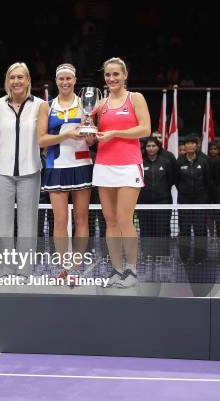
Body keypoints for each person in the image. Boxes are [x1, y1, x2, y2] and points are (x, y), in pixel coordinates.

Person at [93, 57, 151, 288]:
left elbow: (145, 129)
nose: (112, 78)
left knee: (125, 218)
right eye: (108, 75)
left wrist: (114, 133)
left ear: (125, 75)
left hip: (128, 165)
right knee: (110, 220)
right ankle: (117, 269)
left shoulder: (135, 98)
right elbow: (94, 130)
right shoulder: (101, 103)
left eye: (116, 74)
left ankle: (132, 271)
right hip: (104, 164)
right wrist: (88, 133)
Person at [37, 63, 94, 282]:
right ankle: (63, 268)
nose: (65, 82)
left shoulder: (86, 104)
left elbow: (91, 140)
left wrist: (89, 135)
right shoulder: (47, 106)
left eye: (68, 78)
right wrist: (68, 134)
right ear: (56, 80)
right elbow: (41, 139)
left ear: (75, 80)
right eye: (61, 79)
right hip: (56, 166)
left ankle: (76, 270)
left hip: (81, 166)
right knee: (59, 221)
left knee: (81, 220)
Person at [0, 62, 45, 277]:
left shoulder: (41, 105)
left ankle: (24, 270)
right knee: (2, 223)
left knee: (28, 225)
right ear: (7, 81)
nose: (16, 81)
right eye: (12, 77)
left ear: (28, 80)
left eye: (20, 77)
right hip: (1, 171)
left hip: (31, 171)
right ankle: (3, 268)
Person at [137, 136, 176, 259]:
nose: (151, 148)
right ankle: (147, 254)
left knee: (162, 228)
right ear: (145, 148)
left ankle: (163, 254)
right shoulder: (140, 161)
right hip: (144, 201)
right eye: (148, 146)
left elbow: (172, 178)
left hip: (163, 201)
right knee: (146, 229)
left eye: (154, 146)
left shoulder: (166, 161)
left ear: (158, 147)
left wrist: (162, 191)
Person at [176, 134, 212, 265]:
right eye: (187, 143)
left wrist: (201, 193)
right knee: (184, 230)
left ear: (197, 146)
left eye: (193, 143)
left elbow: (208, 181)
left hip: (200, 201)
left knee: (200, 230)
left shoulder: (203, 161)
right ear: (184, 146)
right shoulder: (179, 162)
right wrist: (184, 190)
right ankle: (184, 258)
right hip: (184, 201)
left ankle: (200, 257)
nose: (190, 145)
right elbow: (175, 180)